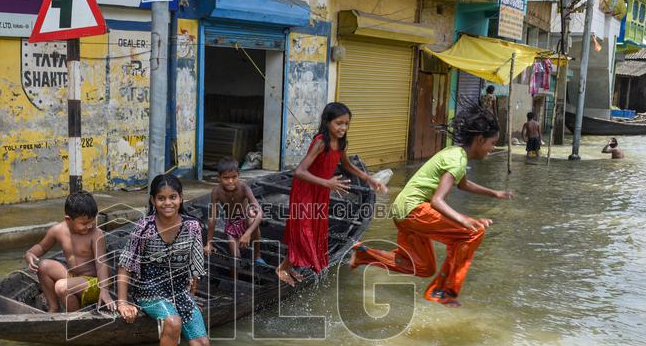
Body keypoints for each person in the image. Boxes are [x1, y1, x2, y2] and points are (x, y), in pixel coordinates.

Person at [350, 101, 514, 307]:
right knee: (474, 232)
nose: (492, 149)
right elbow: (437, 201)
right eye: (492, 143)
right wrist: (463, 219)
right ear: (480, 140)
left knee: (424, 268)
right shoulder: (458, 159)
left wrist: (494, 193)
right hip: (413, 210)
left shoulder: (454, 153)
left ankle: (364, 254)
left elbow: (462, 184)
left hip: (403, 211)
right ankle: (444, 291)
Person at [277, 102, 388, 286]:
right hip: (306, 189)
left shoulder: (342, 142)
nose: (343, 128)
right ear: (327, 122)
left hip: (321, 190)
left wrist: (369, 179)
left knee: (312, 230)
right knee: (303, 229)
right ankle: (282, 268)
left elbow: (347, 165)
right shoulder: (321, 142)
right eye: (339, 123)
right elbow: (300, 171)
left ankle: (288, 266)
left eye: (346, 123)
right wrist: (328, 182)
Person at [116, 174, 211, 346]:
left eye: (173, 197)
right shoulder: (145, 227)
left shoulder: (192, 226)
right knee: (173, 322)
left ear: (181, 198)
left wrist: (191, 298)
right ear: (153, 200)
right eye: (161, 198)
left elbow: (195, 268)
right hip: (148, 289)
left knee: (202, 343)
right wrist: (122, 302)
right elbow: (125, 265)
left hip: (179, 290)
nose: (167, 203)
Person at [25, 192, 112, 313]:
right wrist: (30, 254)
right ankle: (54, 308)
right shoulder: (57, 230)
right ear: (68, 219)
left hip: (95, 282)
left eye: (92, 221)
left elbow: (101, 263)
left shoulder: (96, 234)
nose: (89, 226)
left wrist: (104, 290)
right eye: (84, 223)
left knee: (61, 286)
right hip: (74, 277)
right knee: (42, 265)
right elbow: (41, 247)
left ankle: (76, 318)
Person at [205, 158, 265, 264]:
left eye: (234, 177)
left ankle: (257, 255)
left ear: (238, 175)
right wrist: (209, 242)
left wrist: (247, 233)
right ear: (219, 178)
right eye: (226, 178)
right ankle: (236, 275)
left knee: (252, 215)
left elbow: (260, 213)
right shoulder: (216, 192)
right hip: (232, 222)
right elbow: (212, 218)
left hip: (246, 220)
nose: (230, 181)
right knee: (235, 259)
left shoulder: (244, 188)